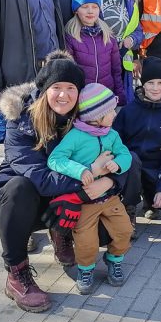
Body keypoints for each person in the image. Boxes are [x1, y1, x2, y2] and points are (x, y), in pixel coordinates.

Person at [0, 51, 132, 312]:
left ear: (79, 93)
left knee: (107, 225)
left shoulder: (87, 120)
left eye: (71, 88)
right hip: (19, 201)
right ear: (44, 89)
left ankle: (61, 233)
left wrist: (110, 182)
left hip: (65, 195)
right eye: (57, 88)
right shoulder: (21, 121)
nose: (63, 95)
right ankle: (17, 274)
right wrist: (92, 176)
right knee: (21, 188)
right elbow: (37, 176)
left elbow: (123, 154)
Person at [46, 83, 133, 294]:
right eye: (111, 111)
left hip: (110, 199)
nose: (115, 113)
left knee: (125, 230)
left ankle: (114, 259)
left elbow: (126, 155)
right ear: (96, 116)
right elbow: (55, 159)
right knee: (86, 242)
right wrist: (81, 170)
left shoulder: (112, 134)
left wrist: (118, 165)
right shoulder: (75, 136)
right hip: (85, 201)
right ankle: (85, 269)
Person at [113, 56, 161, 221]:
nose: (155, 88)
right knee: (131, 158)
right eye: (150, 83)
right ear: (142, 84)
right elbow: (115, 143)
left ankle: (150, 200)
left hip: (154, 170)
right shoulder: (128, 111)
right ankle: (128, 208)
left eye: (160, 83)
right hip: (129, 169)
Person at [64, 0, 125, 103]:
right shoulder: (71, 37)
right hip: (83, 98)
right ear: (76, 10)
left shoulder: (108, 36)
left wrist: (120, 96)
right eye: (85, 7)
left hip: (106, 95)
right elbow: (70, 73)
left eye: (95, 6)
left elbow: (116, 70)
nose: (90, 11)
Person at [94, 0, 144, 104]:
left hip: (122, 65)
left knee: (120, 106)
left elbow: (138, 31)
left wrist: (131, 40)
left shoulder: (129, 1)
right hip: (97, 63)